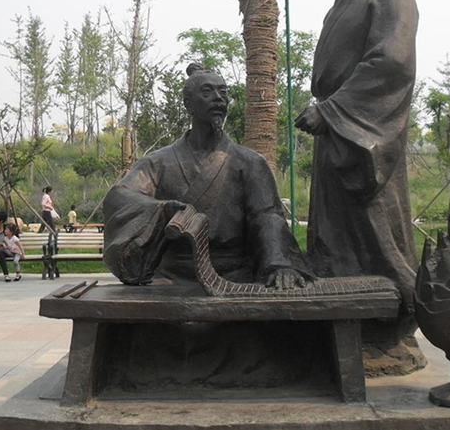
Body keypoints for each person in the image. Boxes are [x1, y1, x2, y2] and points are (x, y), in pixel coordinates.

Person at [295, 0, 423, 372]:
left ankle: (390, 327)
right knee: (333, 242)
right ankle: (341, 328)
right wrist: (325, 113)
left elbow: (391, 62)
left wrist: (331, 112)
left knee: (377, 239)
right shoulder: (336, 7)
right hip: (335, 137)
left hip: (362, 138)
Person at [103, 63, 313, 290]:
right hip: (170, 277)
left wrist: (279, 264)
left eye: (223, 92)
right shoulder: (158, 162)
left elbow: (267, 216)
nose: (218, 98)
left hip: (234, 276)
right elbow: (120, 197)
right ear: (188, 104)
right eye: (207, 92)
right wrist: (162, 210)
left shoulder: (250, 162)